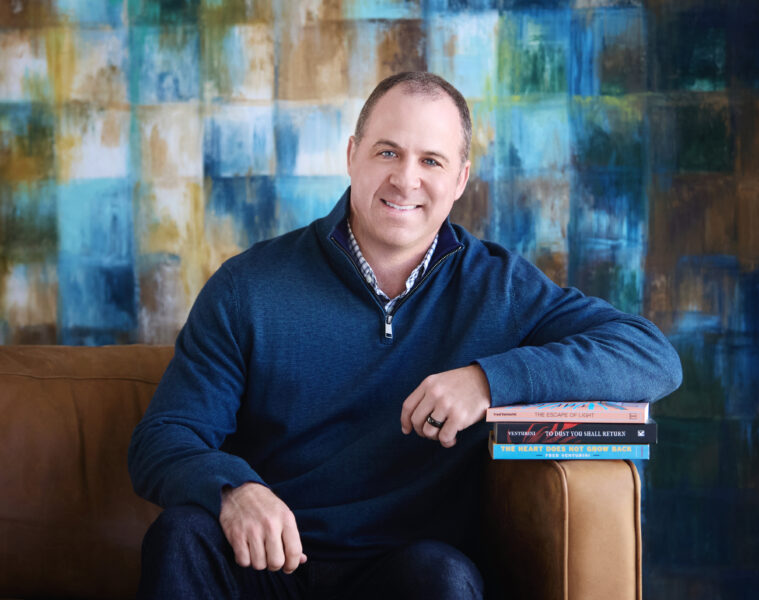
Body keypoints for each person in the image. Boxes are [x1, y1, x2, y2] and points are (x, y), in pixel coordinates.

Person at [128, 71, 682, 599]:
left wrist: (488, 381)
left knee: (442, 577)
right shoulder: (247, 287)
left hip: (406, 574)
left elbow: (652, 355)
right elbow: (165, 437)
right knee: (181, 535)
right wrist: (233, 490)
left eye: (431, 161)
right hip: (266, 563)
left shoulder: (501, 289)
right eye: (387, 152)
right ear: (352, 156)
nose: (406, 179)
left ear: (460, 179)